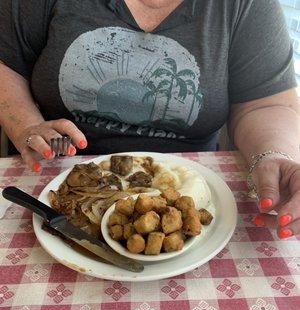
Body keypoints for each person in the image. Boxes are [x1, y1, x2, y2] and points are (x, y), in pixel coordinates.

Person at [0, 0, 299, 239]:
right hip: (58, 179)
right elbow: (6, 64)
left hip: (192, 189)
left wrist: (273, 154)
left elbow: (265, 103)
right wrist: (25, 124)